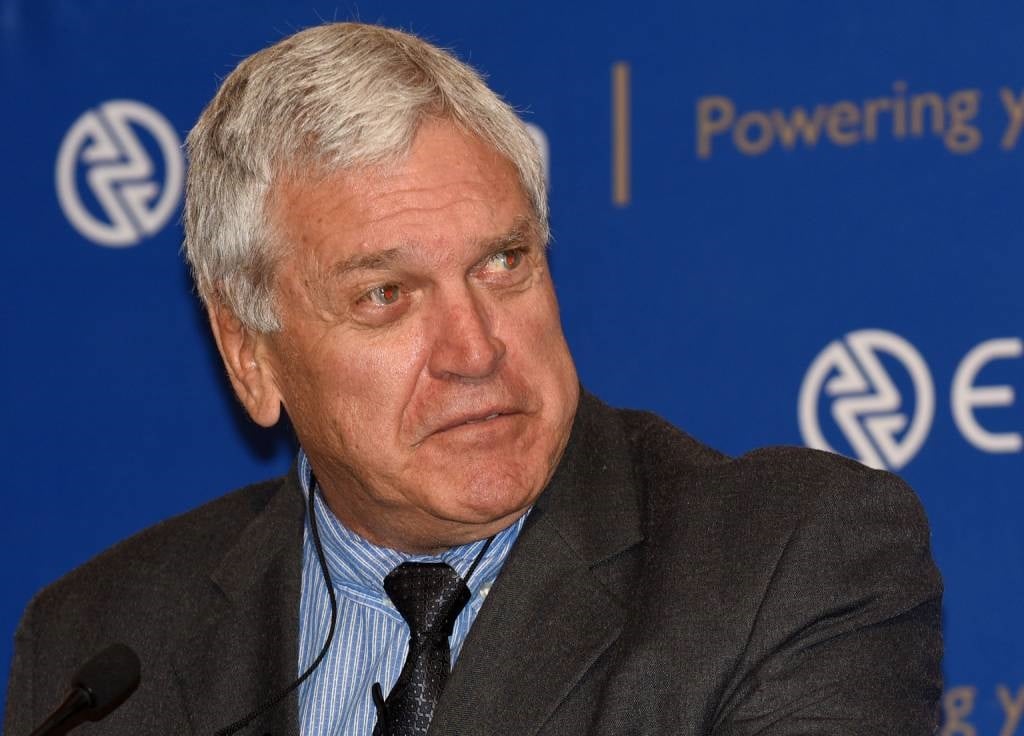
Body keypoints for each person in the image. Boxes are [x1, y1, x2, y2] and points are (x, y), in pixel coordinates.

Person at [3, 22, 942, 736]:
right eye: (385, 294)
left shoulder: (786, 564)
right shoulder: (98, 640)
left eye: (502, 263)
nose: (475, 349)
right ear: (251, 355)